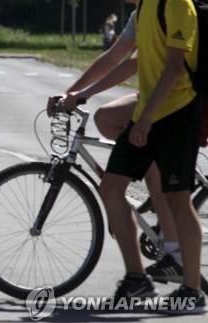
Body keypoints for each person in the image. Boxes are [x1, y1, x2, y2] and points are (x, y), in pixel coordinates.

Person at [47, 2, 183, 284]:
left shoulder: (166, 8)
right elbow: (113, 57)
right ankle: (150, 169)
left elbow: (133, 64)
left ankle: (173, 252)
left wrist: (82, 94)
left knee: (143, 170)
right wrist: (70, 93)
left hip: (176, 100)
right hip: (151, 96)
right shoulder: (140, 14)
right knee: (106, 118)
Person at [99, 0, 205, 313]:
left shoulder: (177, 5)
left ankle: (192, 292)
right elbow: (128, 59)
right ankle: (138, 281)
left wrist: (145, 119)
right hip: (148, 112)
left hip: (177, 115)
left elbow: (174, 68)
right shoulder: (145, 8)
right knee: (110, 187)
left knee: (178, 201)